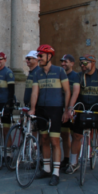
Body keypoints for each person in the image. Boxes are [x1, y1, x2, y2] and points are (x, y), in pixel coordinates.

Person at [67, 54, 98, 182]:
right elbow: (76, 92)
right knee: (76, 136)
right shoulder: (79, 76)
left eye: (85, 64)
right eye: (81, 64)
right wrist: (70, 108)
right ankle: (73, 163)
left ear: (92, 63)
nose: (82, 66)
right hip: (82, 109)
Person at [29, 45, 71, 186]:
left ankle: (56, 172)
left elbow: (67, 91)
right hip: (41, 110)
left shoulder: (59, 71)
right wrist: (32, 109)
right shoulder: (37, 73)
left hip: (55, 109)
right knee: (44, 139)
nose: (38, 58)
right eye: (38, 56)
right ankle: (46, 169)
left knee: (54, 141)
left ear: (49, 56)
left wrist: (66, 110)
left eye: (41, 56)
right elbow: (35, 92)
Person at [59, 54, 79, 169]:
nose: (63, 64)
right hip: (62, 109)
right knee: (64, 134)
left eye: (66, 62)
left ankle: (74, 160)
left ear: (72, 63)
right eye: (62, 62)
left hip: (74, 111)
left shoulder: (76, 76)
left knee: (75, 135)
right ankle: (66, 159)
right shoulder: (60, 76)